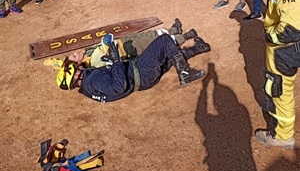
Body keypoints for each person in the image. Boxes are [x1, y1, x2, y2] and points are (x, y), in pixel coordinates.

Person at [254, 0, 300, 149]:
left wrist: (271, 36)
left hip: (284, 49)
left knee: (279, 89)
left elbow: (292, 27)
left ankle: (282, 136)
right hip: (290, 47)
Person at [56, 34, 208, 102]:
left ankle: (199, 48)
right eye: (74, 71)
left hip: (141, 78)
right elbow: (118, 87)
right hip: (141, 72)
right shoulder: (93, 81)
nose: (77, 69)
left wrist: (111, 63)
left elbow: (111, 83)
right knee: (164, 41)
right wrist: (116, 61)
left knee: (169, 56)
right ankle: (184, 72)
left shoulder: (89, 86)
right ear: (75, 78)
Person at [63, 18, 210, 68]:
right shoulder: (94, 61)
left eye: (73, 53)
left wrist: (55, 63)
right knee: (154, 41)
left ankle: (173, 30)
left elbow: (61, 65)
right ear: (80, 64)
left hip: (124, 42)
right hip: (129, 50)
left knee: (149, 34)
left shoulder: (87, 54)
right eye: (75, 56)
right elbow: (105, 50)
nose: (75, 53)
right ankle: (185, 36)